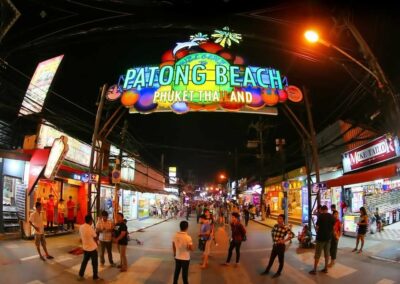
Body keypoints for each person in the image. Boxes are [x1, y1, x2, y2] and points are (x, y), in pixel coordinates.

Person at [261, 214, 292, 278]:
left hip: (281, 247)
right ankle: (267, 270)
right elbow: (272, 232)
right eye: (278, 218)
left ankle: (278, 272)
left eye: (280, 218)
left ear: (283, 220)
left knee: (281, 261)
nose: (278, 219)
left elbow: (292, 235)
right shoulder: (275, 226)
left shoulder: (285, 227)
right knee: (271, 259)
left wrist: (284, 240)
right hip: (275, 246)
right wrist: (275, 240)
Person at [309, 205, 335, 275]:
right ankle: (325, 268)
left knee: (318, 254)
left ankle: (314, 270)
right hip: (328, 238)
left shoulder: (321, 216)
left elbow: (317, 227)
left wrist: (318, 232)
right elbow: (333, 226)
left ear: (322, 210)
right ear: (327, 209)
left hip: (321, 238)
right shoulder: (331, 216)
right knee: (327, 254)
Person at [78, 214, 101, 281]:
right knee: (94, 263)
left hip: (85, 248)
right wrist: (97, 243)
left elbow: (81, 237)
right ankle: (95, 277)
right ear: (90, 221)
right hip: (92, 249)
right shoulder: (90, 228)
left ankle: (81, 274)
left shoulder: (81, 227)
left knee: (84, 262)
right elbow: (95, 237)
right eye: (92, 221)